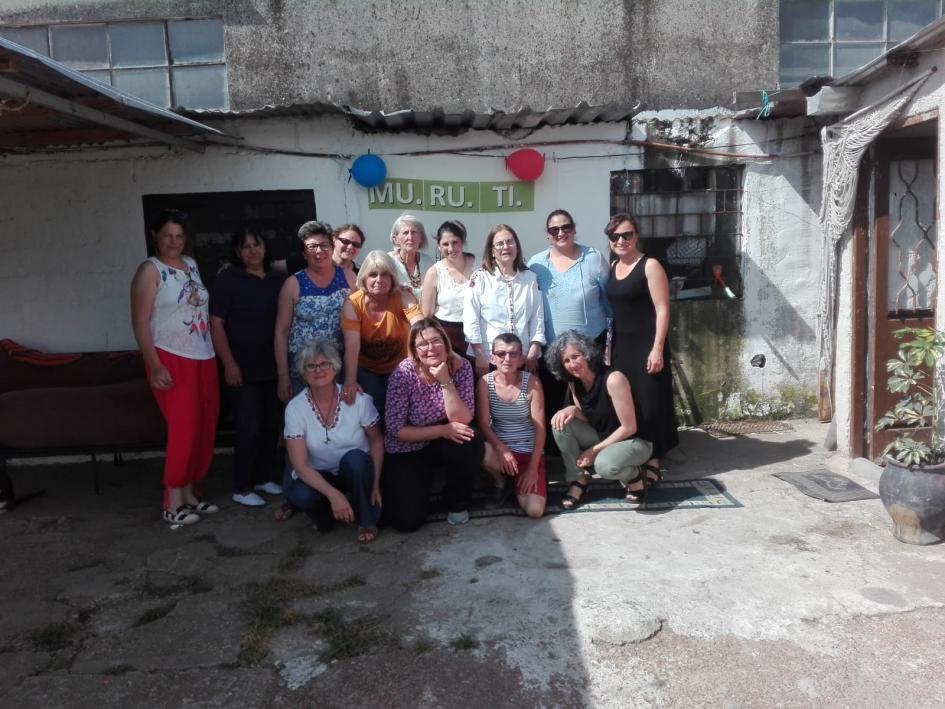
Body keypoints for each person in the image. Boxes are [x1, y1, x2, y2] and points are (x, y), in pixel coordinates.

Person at [130, 209, 220, 526]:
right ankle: (172, 500)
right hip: (169, 356)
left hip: (203, 354)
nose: (173, 241)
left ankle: (190, 493)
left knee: (205, 425)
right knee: (184, 428)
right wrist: (153, 364)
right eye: (167, 235)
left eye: (179, 236)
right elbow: (140, 321)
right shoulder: (149, 270)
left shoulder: (192, 266)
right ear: (155, 236)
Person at [382, 318, 484, 531]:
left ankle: (457, 502)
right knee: (406, 522)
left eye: (436, 341)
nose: (430, 348)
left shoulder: (460, 366)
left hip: (443, 440)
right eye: (422, 344)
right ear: (414, 349)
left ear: (446, 343)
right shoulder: (403, 374)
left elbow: (464, 418)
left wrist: (445, 380)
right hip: (408, 446)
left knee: (469, 439)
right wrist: (442, 430)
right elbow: (395, 430)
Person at [209, 228, 286, 507]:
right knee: (249, 427)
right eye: (246, 247)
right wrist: (228, 363)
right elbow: (216, 324)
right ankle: (241, 487)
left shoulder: (278, 280)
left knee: (270, 425)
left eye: (257, 245)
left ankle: (263, 477)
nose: (253, 251)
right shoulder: (228, 280)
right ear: (238, 252)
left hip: (274, 364)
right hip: (242, 367)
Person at [283, 340, 383, 543]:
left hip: (354, 471)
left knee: (356, 461)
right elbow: (300, 466)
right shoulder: (295, 408)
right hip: (320, 475)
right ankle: (326, 516)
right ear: (303, 372)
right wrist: (333, 495)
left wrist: (376, 483)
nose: (318, 370)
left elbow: (376, 443)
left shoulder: (358, 399)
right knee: (299, 495)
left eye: (324, 364)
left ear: (335, 367)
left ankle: (366, 520)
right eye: (311, 366)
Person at [527, 209, 610, 447]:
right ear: (547, 234)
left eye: (565, 227)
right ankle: (558, 454)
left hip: (590, 345)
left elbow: (608, 298)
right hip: (553, 349)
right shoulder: (536, 264)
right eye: (555, 230)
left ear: (574, 229)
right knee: (555, 402)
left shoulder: (593, 257)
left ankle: (597, 446)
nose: (561, 233)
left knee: (590, 399)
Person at [546, 331, 655, 510]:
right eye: (566, 361)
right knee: (559, 423)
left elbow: (629, 427)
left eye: (576, 356)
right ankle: (578, 480)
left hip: (635, 441)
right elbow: (590, 419)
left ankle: (635, 477)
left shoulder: (613, 379)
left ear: (587, 353)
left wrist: (594, 450)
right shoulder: (574, 383)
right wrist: (572, 410)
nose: (572, 364)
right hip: (605, 437)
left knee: (603, 466)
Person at [605, 212, 679, 473]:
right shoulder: (613, 267)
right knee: (630, 400)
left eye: (627, 235)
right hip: (622, 347)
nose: (621, 240)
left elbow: (663, 310)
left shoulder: (650, 265)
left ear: (636, 236)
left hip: (648, 345)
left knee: (651, 400)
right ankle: (633, 449)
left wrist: (657, 348)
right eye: (615, 236)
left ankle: (654, 458)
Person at [275, 221, 356, 405]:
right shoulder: (293, 284)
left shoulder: (349, 277)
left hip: (337, 368)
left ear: (332, 246)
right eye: (312, 247)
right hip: (302, 370)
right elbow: (281, 332)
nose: (319, 251)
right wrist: (283, 376)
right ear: (304, 253)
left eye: (324, 245)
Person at [340, 250, 423, 415]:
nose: (379, 280)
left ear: (392, 277)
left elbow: (421, 328)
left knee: (399, 412)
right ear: (364, 277)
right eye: (373, 275)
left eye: (385, 275)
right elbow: (352, 346)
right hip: (367, 367)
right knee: (372, 411)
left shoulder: (403, 296)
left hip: (400, 366)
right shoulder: (353, 304)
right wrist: (349, 381)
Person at [477, 333, 547, 518]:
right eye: (501, 354)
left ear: (521, 358)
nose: (507, 358)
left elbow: (540, 428)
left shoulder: (532, 383)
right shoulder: (485, 383)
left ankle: (520, 477)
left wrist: (532, 469)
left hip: (527, 453)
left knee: (534, 510)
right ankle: (500, 482)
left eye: (513, 354)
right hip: (501, 451)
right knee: (477, 448)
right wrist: (501, 448)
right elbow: (483, 424)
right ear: (492, 357)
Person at [463, 224, 545, 379]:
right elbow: (471, 319)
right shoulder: (479, 278)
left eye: (510, 242)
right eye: (499, 244)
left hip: (523, 359)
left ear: (517, 246)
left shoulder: (530, 278)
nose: (505, 247)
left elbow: (537, 317)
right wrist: (480, 356)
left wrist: (534, 351)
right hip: (489, 360)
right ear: (492, 251)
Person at [420, 220, 476, 358]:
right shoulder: (434, 272)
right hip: (447, 337)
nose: (450, 248)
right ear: (439, 246)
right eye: (445, 244)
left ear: (462, 241)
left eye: (455, 242)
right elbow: (426, 315)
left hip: (477, 337)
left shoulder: (480, 265)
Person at [388, 213, 434, 301]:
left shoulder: (429, 262)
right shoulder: (388, 261)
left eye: (414, 232)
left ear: (421, 238)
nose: (410, 237)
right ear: (395, 239)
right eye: (405, 233)